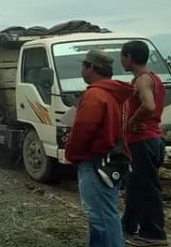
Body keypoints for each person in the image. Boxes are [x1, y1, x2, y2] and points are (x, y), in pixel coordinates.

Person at [65, 49, 134, 247]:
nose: (81, 71)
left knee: (103, 217)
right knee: (102, 214)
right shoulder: (118, 94)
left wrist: (71, 152)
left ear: (92, 67)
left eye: (83, 66)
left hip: (95, 162)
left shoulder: (95, 94)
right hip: (112, 161)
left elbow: (83, 129)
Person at [120, 40, 168, 247]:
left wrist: (132, 122)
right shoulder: (154, 78)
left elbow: (148, 106)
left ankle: (154, 234)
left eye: (122, 56)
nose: (121, 61)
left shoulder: (142, 80)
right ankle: (128, 225)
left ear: (129, 57)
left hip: (143, 140)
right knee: (135, 186)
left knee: (147, 188)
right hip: (150, 139)